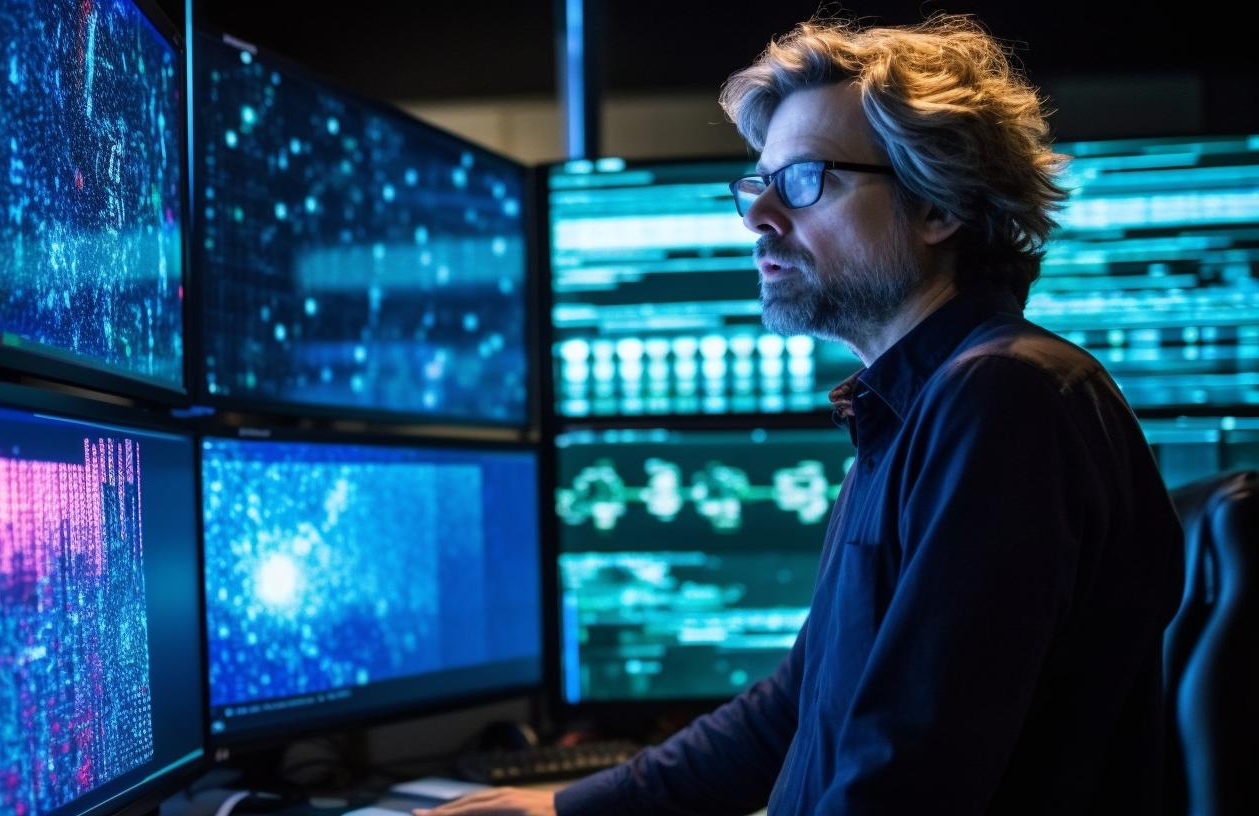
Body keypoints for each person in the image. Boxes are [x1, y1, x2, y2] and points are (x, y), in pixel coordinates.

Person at [416, 13, 1183, 816]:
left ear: (937, 205)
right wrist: (558, 812)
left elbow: (905, 780)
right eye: (759, 184)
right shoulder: (910, 410)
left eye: (806, 180)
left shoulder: (1002, 398)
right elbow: (793, 712)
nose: (759, 217)